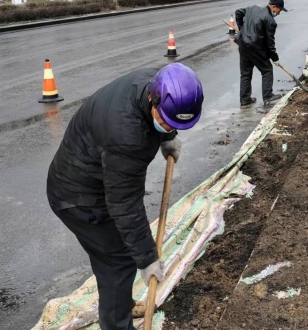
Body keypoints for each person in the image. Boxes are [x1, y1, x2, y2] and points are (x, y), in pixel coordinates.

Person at [46, 63, 204, 330]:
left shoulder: (157, 81)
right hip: (78, 196)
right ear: (153, 98)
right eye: (165, 120)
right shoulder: (127, 136)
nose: (167, 125)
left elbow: (167, 115)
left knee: (119, 252)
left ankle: (121, 305)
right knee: (117, 261)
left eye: (174, 122)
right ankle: (117, 324)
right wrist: (147, 259)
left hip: (93, 173)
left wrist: (168, 135)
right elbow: (125, 204)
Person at [234, 0, 287, 107]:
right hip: (256, 48)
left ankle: (245, 99)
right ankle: (267, 96)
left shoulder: (254, 8)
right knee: (267, 70)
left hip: (243, 45)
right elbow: (270, 44)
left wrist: (241, 29)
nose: (279, 13)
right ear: (273, 7)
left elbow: (238, 12)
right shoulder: (270, 21)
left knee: (245, 73)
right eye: (279, 10)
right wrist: (275, 58)